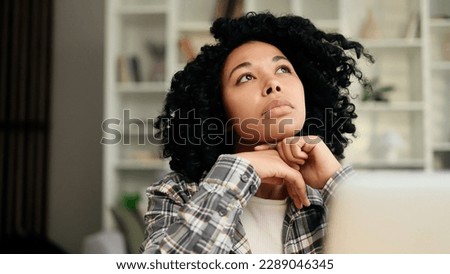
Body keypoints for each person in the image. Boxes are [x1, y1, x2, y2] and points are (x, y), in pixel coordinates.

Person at [140, 12, 373, 254]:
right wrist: (238, 171)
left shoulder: (331, 194)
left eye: (283, 69)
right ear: (219, 110)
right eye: (246, 77)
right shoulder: (177, 194)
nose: (273, 83)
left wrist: (336, 183)